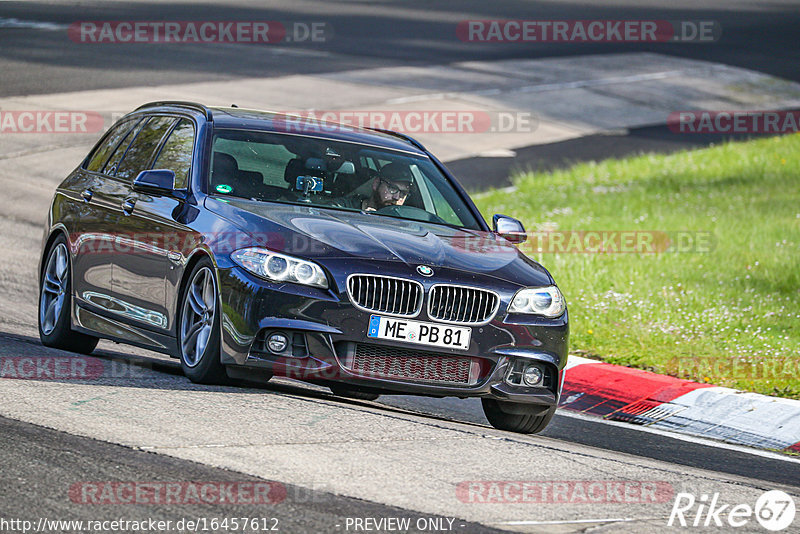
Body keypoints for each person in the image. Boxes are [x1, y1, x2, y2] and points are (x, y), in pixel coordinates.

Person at [337, 162, 414, 211]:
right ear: (376, 183)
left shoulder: (405, 222)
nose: (397, 198)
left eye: (403, 193)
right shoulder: (343, 207)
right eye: (393, 188)